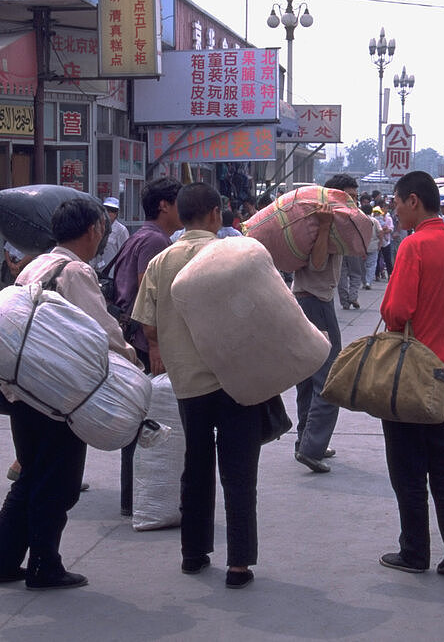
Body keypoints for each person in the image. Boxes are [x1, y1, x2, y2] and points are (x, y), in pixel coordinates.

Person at [0, 198, 138, 590]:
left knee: (31, 474)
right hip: (58, 394)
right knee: (59, 482)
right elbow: (100, 330)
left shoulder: (37, 263)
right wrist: (130, 357)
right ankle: (44, 565)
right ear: (93, 231)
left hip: (22, 388)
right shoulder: (76, 271)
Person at [131, 182, 264, 589]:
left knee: (197, 465)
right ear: (213, 215)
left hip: (188, 381)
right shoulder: (234, 255)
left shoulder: (162, 262)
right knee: (239, 471)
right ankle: (238, 564)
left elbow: (147, 324)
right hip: (237, 378)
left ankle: (193, 553)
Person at [375, 171, 444, 575]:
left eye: (397, 202)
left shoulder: (414, 246)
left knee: (408, 466)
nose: (394, 210)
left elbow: (397, 311)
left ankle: (414, 551)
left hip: (414, 372)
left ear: (413, 201)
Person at [110, 177, 182, 517]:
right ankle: (138, 498)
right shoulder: (154, 241)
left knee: (139, 421)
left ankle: (133, 497)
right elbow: (148, 295)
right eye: (179, 200)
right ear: (164, 205)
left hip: (133, 337)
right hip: (142, 342)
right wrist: (155, 345)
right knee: (146, 423)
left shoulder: (140, 234)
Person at [291, 175, 348, 473]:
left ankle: (307, 440)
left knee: (307, 376)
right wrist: (326, 226)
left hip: (303, 300)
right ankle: (311, 447)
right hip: (316, 302)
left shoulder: (316, 219)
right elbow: (315, 264)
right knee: (329, 377)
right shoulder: (322, 222)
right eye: (347, 198)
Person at [331, 175, 365, 310]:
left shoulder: (358, 214)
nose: (354, 201)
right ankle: (352, 297)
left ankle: (347, 300)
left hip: (352, 250)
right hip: (344, 251)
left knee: (345, 274)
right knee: (346, 274)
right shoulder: (325, 216)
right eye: (351, 196)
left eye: (356, 197)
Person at [92, 196, 130, 271]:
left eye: (112, 210)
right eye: (107, 210)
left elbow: (125, 253)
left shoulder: (121, 230)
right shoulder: (96, 226)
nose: (109, 213)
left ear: (116, 213)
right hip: (95, 269)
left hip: (111, 272)